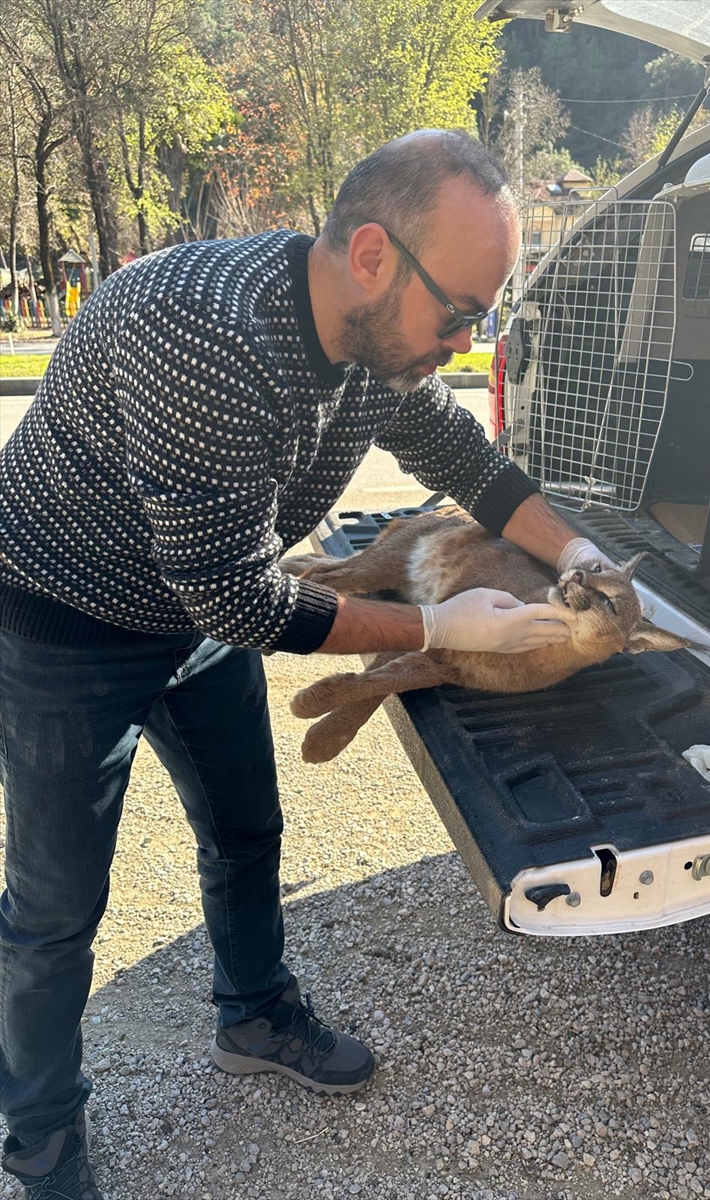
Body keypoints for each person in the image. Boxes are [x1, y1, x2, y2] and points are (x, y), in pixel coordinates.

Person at [0, 129, 606, 1198]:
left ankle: (254, 1013)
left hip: (191, 610)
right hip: (65, 621)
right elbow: (234, 596)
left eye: (482, 317)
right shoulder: (206, 334)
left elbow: (466, 458)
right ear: (373, 255)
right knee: (55, 909)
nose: (464, 343)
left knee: (246, 829)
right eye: (460, 312)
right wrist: (438, 631)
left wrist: (584, 556)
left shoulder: (376, 343)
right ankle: (40, 1138)